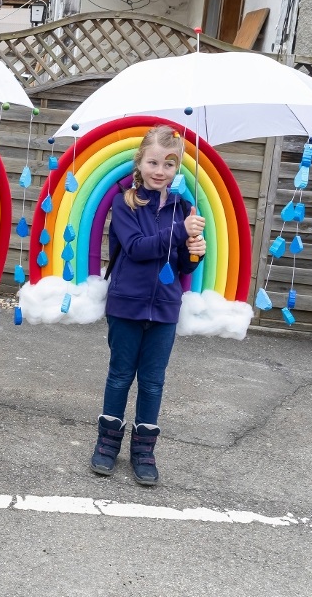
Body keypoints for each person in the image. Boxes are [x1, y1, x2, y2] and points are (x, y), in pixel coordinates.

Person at [90, 124, 205, 485]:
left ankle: (144, 451)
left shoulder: (185, 208)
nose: (160, 171)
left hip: (166, 307)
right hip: (126, 305)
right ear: (139, 163)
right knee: (121, 375)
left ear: (178, 169)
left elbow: (182, 266)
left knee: (153, 382)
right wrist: (179, 233)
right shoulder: (125, 202)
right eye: (153, 162)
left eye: (169, 165)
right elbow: (138, 248)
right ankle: (107, 444)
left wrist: (195, 253)